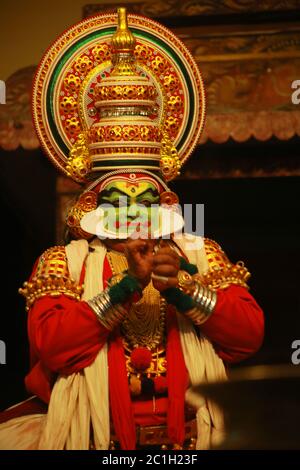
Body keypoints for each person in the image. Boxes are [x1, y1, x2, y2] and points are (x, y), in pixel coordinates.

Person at [0, 8, 264, 450]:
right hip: (91, 438)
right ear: (92, 204)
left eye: (146, 200)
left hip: (194, 441)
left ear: (166, 202)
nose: (133, 213)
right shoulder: (62, 263)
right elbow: (57, 349)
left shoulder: (200, 255)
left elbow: (247, 337)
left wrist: (179, 285)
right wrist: (125, 288)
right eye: (118, 201)